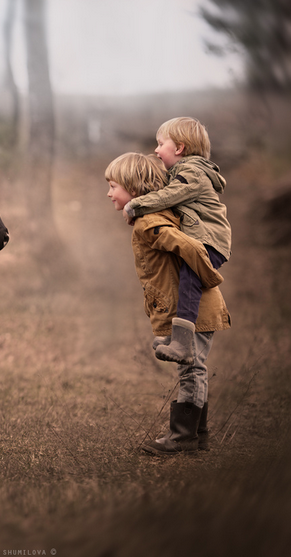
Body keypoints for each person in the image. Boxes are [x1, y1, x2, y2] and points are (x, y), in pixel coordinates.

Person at [105, 152, 231, 455]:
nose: (109, 193)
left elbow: (189, 246)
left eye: (113, 186)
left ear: (134, 189)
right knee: (193, 368)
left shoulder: (149, 223)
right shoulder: (150, 220)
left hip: (194, 310)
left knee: (191, 370)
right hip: (189, 309)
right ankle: (196, 436)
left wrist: (207, 274)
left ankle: (183, 437)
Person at [122, 117, 231, 366]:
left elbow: (170, 195)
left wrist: (135, 206)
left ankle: (182, 343)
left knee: (190, 279)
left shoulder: (191, 173)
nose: (156, 150)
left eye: (161, 144)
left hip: (209, 241)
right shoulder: (182, 173)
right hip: (202, 237)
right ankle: (173, 334)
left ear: (179, 148)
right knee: (179, 279)